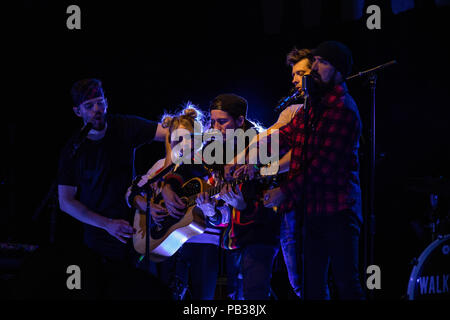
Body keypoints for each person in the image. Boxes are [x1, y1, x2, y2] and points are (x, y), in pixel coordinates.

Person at [262, 41, 366, 300]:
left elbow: (323, 167)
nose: (315, 67)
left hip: (339, 211)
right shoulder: (313, 106)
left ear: (340, 70)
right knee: (311, 287)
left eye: (324, 62)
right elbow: (285, 135)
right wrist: (245, 159)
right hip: (313, 212)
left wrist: (284, 191)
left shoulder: (343, 109)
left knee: (346, 284)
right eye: (315, 60)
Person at [57, 78, 171, 299]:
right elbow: (66, 201)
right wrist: (107, 224)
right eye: (89, 106)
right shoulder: (73, 148)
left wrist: (169, 169)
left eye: (100, 102)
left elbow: (168, 134)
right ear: (77, 111)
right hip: (99, 238)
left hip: (139, 231)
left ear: (107, 103)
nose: (97, 110)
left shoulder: (124, 126)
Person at [128, 106, 222, 300]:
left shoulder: (212, 165)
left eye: (189, 139)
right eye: (177, 140)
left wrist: (210, 209)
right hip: (167, 244)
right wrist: (148, 205)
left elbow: (224, 211)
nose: (183, 145)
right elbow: (131, 192)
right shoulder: (161, 167)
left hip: (203, 242)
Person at [196, 93, 281, 300]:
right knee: (235, 297)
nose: (215, 127)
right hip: (232, 241)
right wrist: (211, 212)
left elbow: (272, 204)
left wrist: (243, 206)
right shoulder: (217, 154)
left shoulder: (263, 147)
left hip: (259, 238)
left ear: (241, 120)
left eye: (222, 121)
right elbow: (224, 215)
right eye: (213, 121)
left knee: (254, 297)